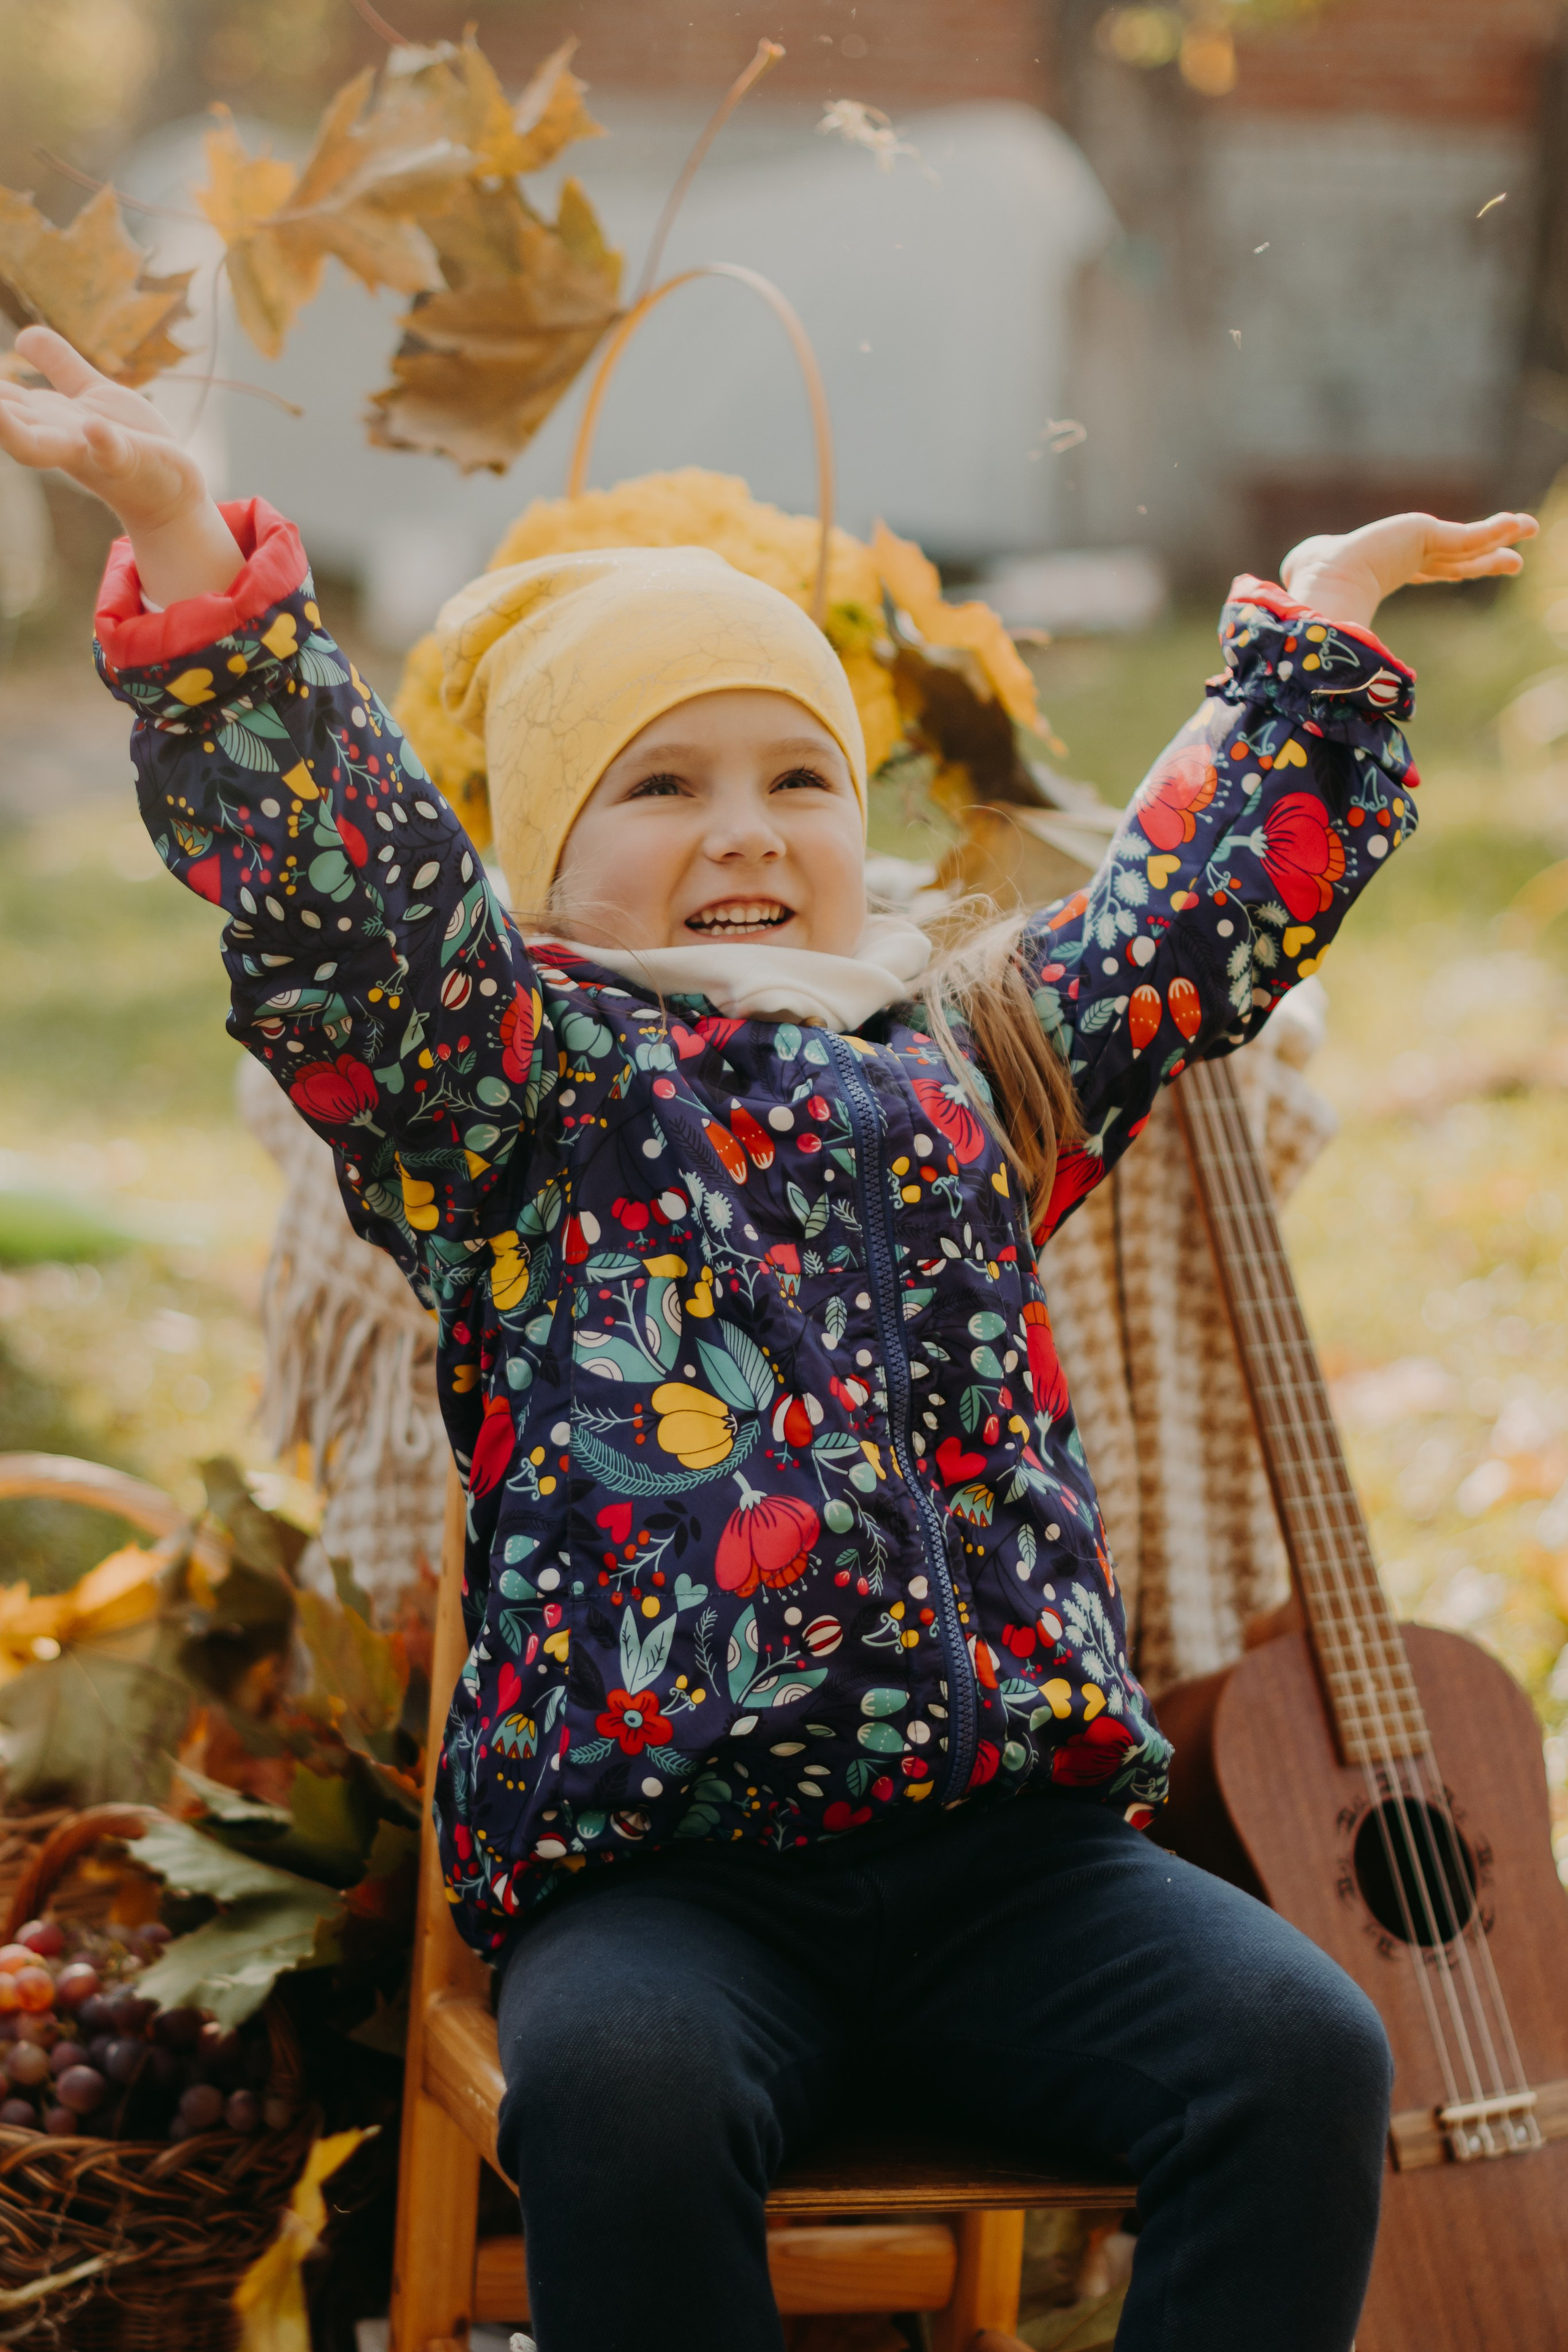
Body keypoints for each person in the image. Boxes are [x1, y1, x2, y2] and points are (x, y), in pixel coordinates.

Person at [0, 325, 1534, 2352]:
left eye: (798, 778)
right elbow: (348, 889)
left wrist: (1317, 644)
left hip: (1017, 1873)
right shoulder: (514, 1095)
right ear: (541, 868)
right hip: (671, 1890)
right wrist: (196, 553)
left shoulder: (975, 1068)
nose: (745, 830)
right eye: (665, 784)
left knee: (1303, 2050)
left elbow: (1187, 921)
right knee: (622, 2093)